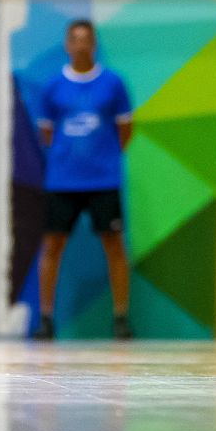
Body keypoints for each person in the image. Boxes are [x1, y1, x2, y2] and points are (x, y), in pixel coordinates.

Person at [34, 19, 135, 341]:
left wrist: (102, 158)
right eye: (74, 39)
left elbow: (125, 129)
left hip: (103, 180)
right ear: (67, 44)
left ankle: (120, 318)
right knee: (52, 246)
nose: (80, 44)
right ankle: (46, 320)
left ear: (94, 44)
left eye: (86, 39)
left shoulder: (113, 83)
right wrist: (70, 158)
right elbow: (47, 131)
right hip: (62, 181)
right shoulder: (53, 86)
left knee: (114, 245)